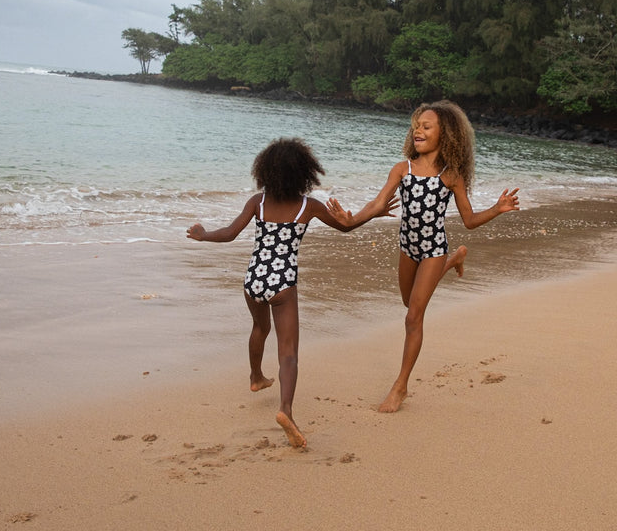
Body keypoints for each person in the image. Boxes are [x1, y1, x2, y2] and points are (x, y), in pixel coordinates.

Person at [187, 137, 396, 448]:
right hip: (283, 283)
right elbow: (345, 227)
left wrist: (204, 236)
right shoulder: (307, 207)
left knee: (260, 328)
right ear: (305, 174)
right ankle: (285, 411)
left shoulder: (257, 202)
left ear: (265, 172)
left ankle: (256, 376)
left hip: (253, 279)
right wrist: (372, 214)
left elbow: (230, 234)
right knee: (288, 353)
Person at [340, 101, 520, 413]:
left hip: (434, 247)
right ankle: (455, 261)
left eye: (427, 126)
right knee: (408, 302)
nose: (418, 130)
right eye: (417, 126)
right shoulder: (402, 169)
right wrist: (350, 221)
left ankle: (400, 387)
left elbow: (469, 220)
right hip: (407, 245)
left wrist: (496, 208)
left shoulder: (451, 177)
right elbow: (377, 203)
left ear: (445, 134)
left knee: (413, 317)